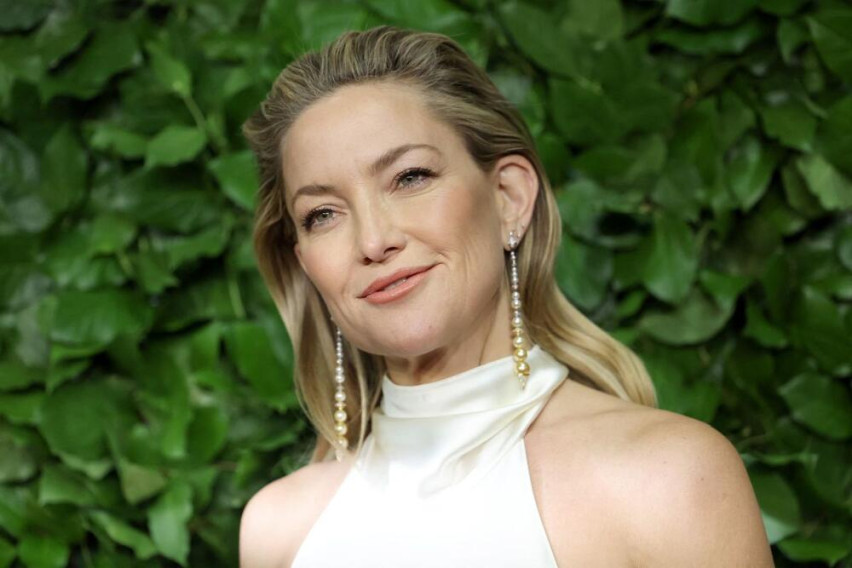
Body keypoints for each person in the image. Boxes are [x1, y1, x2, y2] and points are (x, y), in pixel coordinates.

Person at [238, 25, 774, 568]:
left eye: (410, 177)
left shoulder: (668, 478)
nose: (374, 241)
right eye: (322, 214)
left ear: (508, 198)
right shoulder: (276, 531)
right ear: (305, 263)